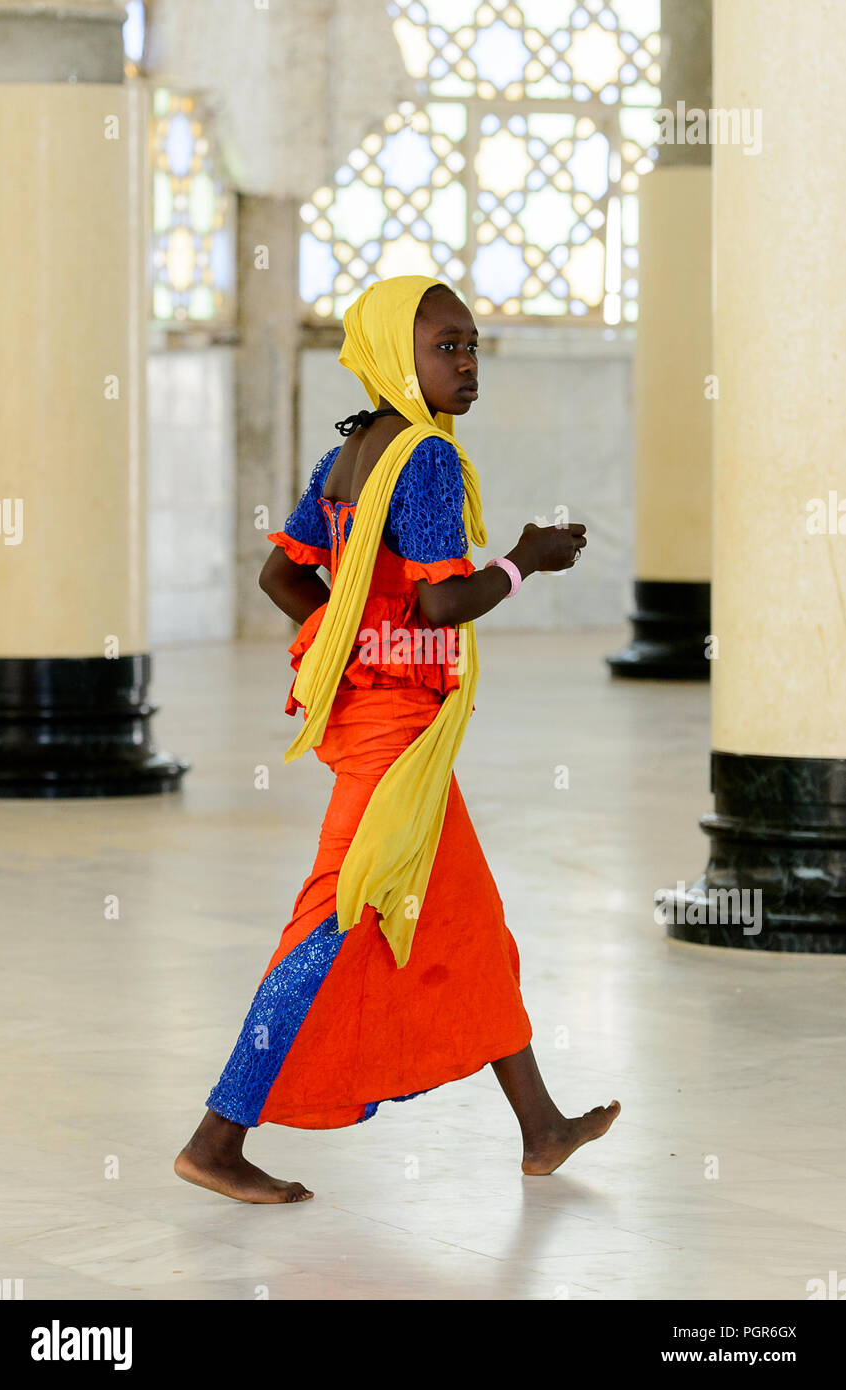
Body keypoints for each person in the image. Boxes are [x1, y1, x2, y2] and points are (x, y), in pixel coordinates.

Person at [174, 275, 620, 1204]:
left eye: (470, 347)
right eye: (446, 347)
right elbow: (438, 600)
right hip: (391, 748)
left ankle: (541, 1129)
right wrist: (526, 561)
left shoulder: (351, 453)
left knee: (468, 928)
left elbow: (284, 578)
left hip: (388, 728)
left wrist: (348, 650)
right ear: (392, 354)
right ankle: (215, 1141)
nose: (465, 365)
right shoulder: (420, 458)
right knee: (329, 927)